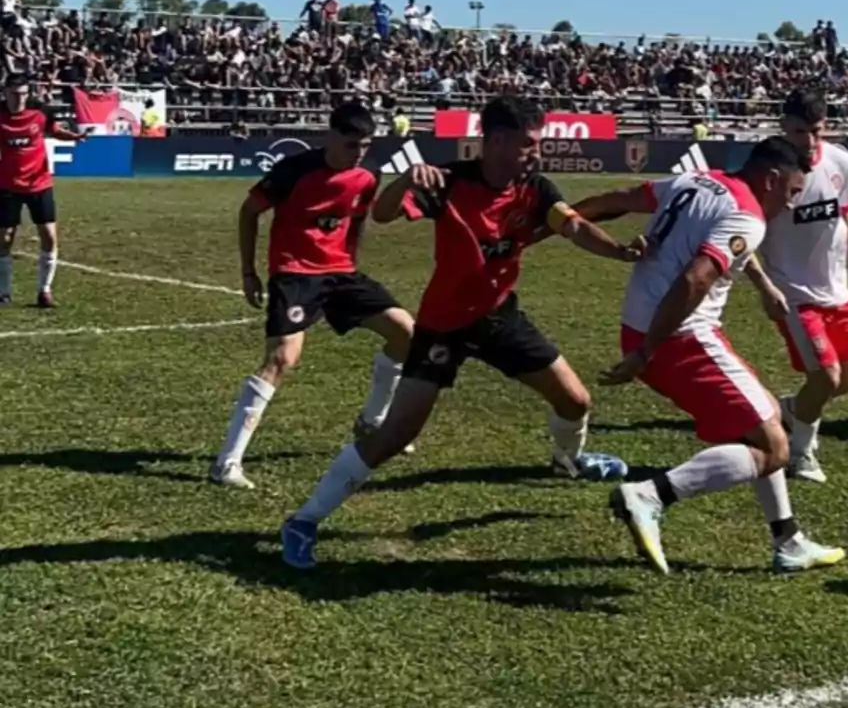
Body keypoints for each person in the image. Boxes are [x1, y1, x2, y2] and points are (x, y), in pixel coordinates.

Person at [280, 96, 643, 569]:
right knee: (394, 435)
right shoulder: (448, 182)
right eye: (528, 144)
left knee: (575, 401)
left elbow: (571, 226)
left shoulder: (535, 187)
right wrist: (407, 180)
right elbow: (385, 214)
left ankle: (567, 459)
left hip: (498, 316)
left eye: (539, 143)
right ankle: (304, 521)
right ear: (495, 141)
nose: (536, 152)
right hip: (443, 328)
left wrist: (618, 253)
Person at [574, 136, 846, 576]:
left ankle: (788, 540)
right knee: (775, 447)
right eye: (793, 192)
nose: (793, 204)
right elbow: (695, 280)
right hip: (677, 336)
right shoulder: (748, 216)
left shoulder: (695, 180)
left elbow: (622, 198)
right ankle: (650, 495)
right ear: (772, 179)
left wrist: (565, 218)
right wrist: (647, 352)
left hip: (648, 328)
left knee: (765, 418)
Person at [212, 102, 414, 490]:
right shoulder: (294, 170)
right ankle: (227, 462)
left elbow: (356, 221)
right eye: (351, 144)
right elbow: (249, 211)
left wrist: (350, 261)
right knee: (282, 359)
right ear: (331, 136)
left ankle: (372, 421)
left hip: (339, 273)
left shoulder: (367, 177)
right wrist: (249, 272)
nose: (358, 153)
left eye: (366, 145)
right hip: (295, 274)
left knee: (407, 333)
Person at [742, 91, 848, 484]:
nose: (810, 141)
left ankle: (793, 408)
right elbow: (742, 231)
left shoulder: (840, 160)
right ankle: (801, 453)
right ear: (784, 126)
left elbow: (844, 216)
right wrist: (765, 286)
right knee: (827, 377)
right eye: (801, 131)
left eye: (817, 131)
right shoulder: (768, 171)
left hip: (838, 288)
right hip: (794, 294)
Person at [0, 73, 88, 308]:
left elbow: (54, 130)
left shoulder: (40, 111)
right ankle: (4, 292)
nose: (18, 99)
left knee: (49, 237)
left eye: (22, 94)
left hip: (39, 184)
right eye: (13, 94)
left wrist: (73, 136)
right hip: (8, 185)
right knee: (5, 239)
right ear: (5, 92)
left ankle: (44, 291)